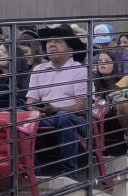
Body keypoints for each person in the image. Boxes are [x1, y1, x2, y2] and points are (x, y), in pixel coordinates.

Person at [27, 25, 89, 177]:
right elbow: (30, 100)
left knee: (63, 117)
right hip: (45, 117)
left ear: (70, 49)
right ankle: (34, 173)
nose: (51, 44)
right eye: (48, 41)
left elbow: (82, 106)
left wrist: (55, 109)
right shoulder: (38, 70)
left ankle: (69, 174)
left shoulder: (80, 71)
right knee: (18, 117)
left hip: (75, 119)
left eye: (57, 41)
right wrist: (34, 110)